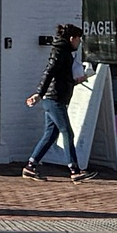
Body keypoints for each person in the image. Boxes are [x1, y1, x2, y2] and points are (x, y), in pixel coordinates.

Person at [23, 23, 93, 182]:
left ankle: (30, 166)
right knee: (67, 132)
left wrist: (76, 80)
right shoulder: (60, 51)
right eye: (78, 39)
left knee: (51, 134)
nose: (79, 42)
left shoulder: (65, 52)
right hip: (53, 99)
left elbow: (61, 77)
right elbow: (49, 71)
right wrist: (39, 93)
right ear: (71, 38)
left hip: (55, 97)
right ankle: (75, 171)